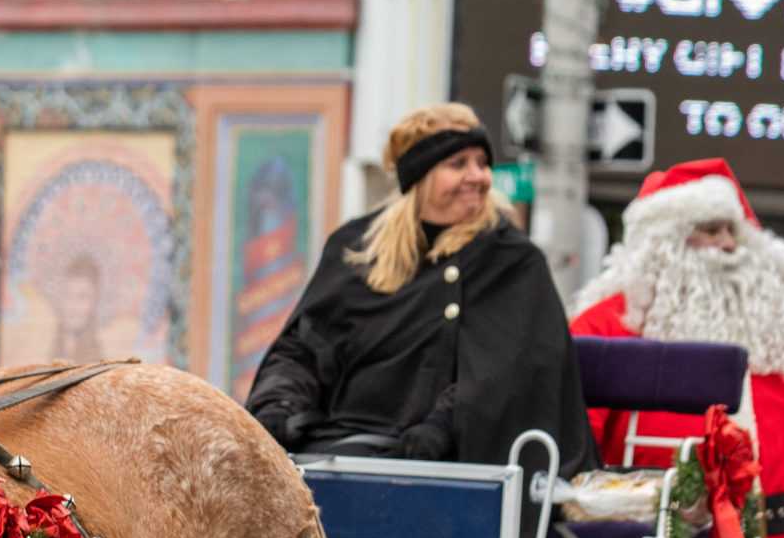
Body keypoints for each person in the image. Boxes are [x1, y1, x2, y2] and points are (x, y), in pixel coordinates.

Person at [246, 103, 598, 472]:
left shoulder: (510, 259)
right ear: (420, 176)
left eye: (482, 162)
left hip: (452, 461)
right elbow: (305, 348)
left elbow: (510, 371)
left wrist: (442, 426)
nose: (477, 176)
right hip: (338, 445)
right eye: (458, 164)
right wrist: (279, 406)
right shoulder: (356, 247)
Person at [572, 160, 784, 538]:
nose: (728, 244)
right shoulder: (606, 323)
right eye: (710, 229)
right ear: (664, 243)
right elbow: (577, 435)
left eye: (732, 229)